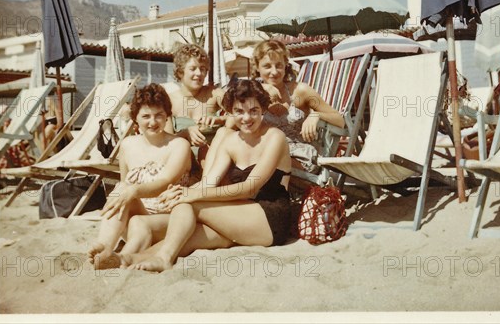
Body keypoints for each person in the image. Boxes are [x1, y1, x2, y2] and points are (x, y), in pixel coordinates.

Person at [112, 79, 292, 272]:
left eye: (253, 111)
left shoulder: (274, 137)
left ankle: (164, 259)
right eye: (239, 111)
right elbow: (208, 182)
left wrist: (192, 196)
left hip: (270, 217)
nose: (246, 118)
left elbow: (250, 187)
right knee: (190, 235)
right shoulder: (231, 141)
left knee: (189, 205)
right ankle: (129, 259)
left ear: (263, 109)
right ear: (230, 111)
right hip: (239, 213)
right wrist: (182, 191)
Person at [87, 83, 192, 270]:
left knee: (136, 217)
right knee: (121, 190)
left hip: (168, 219)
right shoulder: (127, 145)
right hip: (137, 216)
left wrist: (133, 190)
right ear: (135, 118)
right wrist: (128, 191)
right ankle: (105, 245)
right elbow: (124, 183)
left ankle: (120, 257)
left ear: (167, 115)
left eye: (159, 115)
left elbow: (164, 182)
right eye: (146, 116)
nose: (153, 122)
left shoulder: (179, 145)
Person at [206, 39, 344, 175]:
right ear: (257, 67)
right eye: (267, 66)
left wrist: (316, 115)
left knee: (258, 156)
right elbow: (230, 125)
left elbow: (340, 120)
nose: (274, 71)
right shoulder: (254, 94)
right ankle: (206, 185)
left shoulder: (300, 91)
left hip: (297, 158)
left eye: (279, 65)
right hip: (261, 153)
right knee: (222, 133)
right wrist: (263, 89)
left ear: (286, 65)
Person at [166, 44, 227, 148]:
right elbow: (165, 141)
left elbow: (239, 116)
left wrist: (220, 119)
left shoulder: (215, 94)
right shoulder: (168, 101)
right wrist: (185, 133)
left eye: (203, 69)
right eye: (193, 68)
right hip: (182, 159)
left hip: (214, 157)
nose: (199, 73)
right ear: (180, 72)